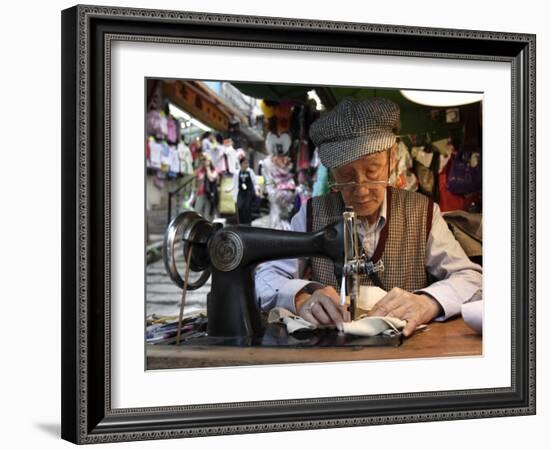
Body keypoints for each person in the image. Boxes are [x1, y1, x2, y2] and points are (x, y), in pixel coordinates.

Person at [255, 97, 482, 337]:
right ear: (331, 171)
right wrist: (300, 298)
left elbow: (470, 278)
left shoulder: (423, 213)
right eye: (346, 175)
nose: (361, 190)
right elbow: (266, 277)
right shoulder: (311, 215)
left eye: (372, 171)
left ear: (392, 158)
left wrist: (428, 302)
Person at [226, 157, 260, 225]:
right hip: (241, 193)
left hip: (249, 193)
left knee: (247, 208)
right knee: (240, 207)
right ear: (241, 164)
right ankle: (241, 223)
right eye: (245, 163)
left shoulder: (250, 171)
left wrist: (256, 191)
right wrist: (229, 189)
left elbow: (255, 182)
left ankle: (248, 224)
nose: (246, 165)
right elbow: (234, 183)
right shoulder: (237, 172)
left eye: (247, 163)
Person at [193, 153, 218, 221]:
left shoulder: (214, 170)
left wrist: (207, 168)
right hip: (200, 194)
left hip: (209, 195)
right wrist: (194, 196)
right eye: (202, 160)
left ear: (210, 161)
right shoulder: (199, 171)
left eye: (205, 160)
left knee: (208, 215)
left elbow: (211, 178)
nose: (204, 162)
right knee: (197, 213)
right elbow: (196, 184)